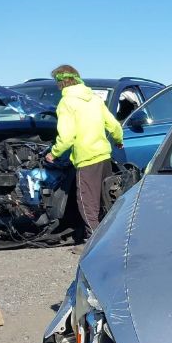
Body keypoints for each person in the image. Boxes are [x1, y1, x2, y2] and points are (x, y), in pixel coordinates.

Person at [45, 64, 124, 249]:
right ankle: (112, 236)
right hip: (104, 156)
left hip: (87, 159)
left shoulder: (66, 103)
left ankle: (94, 243)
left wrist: (53, 153)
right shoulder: (94, 99)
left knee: (87, 201)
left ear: (60, 82)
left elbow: (66, 137)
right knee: (106, 199)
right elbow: (113, 124)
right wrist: (118, 140)